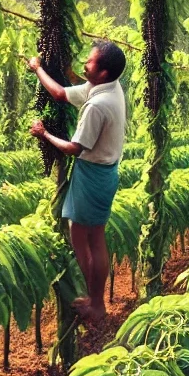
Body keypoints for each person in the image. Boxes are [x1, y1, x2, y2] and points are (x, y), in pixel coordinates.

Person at [28, 41, 127, 323]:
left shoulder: (98, 105)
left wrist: (43, 134)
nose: (85, 64)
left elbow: (74, 148)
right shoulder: (109, 87)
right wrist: (38, 69)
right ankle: (95, 299)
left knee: (87, 237)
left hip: (93, 174)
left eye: (91, 62)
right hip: (102, 172)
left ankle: (96, 303)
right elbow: (60, 93)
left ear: (104, 72)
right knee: (89, 236)